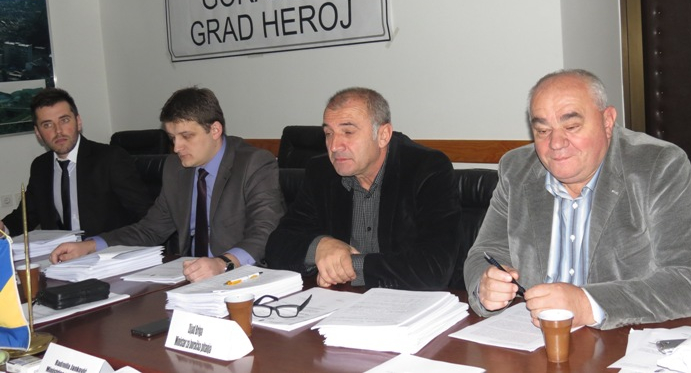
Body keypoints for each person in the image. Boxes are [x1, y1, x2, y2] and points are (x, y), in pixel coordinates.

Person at [463, 69, 691, 329]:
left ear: (607, 121)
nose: (556, 143)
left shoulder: (658, 166)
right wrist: (486, 285)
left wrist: (588, 303)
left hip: (630, 338)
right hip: (532, 338)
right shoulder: (517, 170)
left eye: (571, 127)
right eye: (542, 130)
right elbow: (484, 253)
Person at [50, 87, 285, 282]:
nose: (176, 147)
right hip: (188, 278)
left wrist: (222, 263)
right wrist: (91, 245)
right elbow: (150, 230)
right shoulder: (176, 168)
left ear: (215, 130)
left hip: (243, 278)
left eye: (186, 136)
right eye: (172, 138)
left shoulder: (253, 164)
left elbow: (265, 233)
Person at [264, 87, 461, 290]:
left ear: (383, 135)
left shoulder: (427, 169)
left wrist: (349, 265)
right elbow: (277, 246)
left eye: (348, 132)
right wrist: (321, 246)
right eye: (328, 133)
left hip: (409, 301)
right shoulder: (320, 171)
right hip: (342, 299)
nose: (334, 146)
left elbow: (434, 268)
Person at [0, 88, 153, 238]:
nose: (58, 131)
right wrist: (3, 228)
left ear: (78, 122)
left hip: (105, 250)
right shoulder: (41, 166)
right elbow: (26, 216)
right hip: (59, 252)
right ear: (38, 133)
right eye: (47, 125)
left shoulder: (110, 159)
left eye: (64, 120)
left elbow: (146, 217)